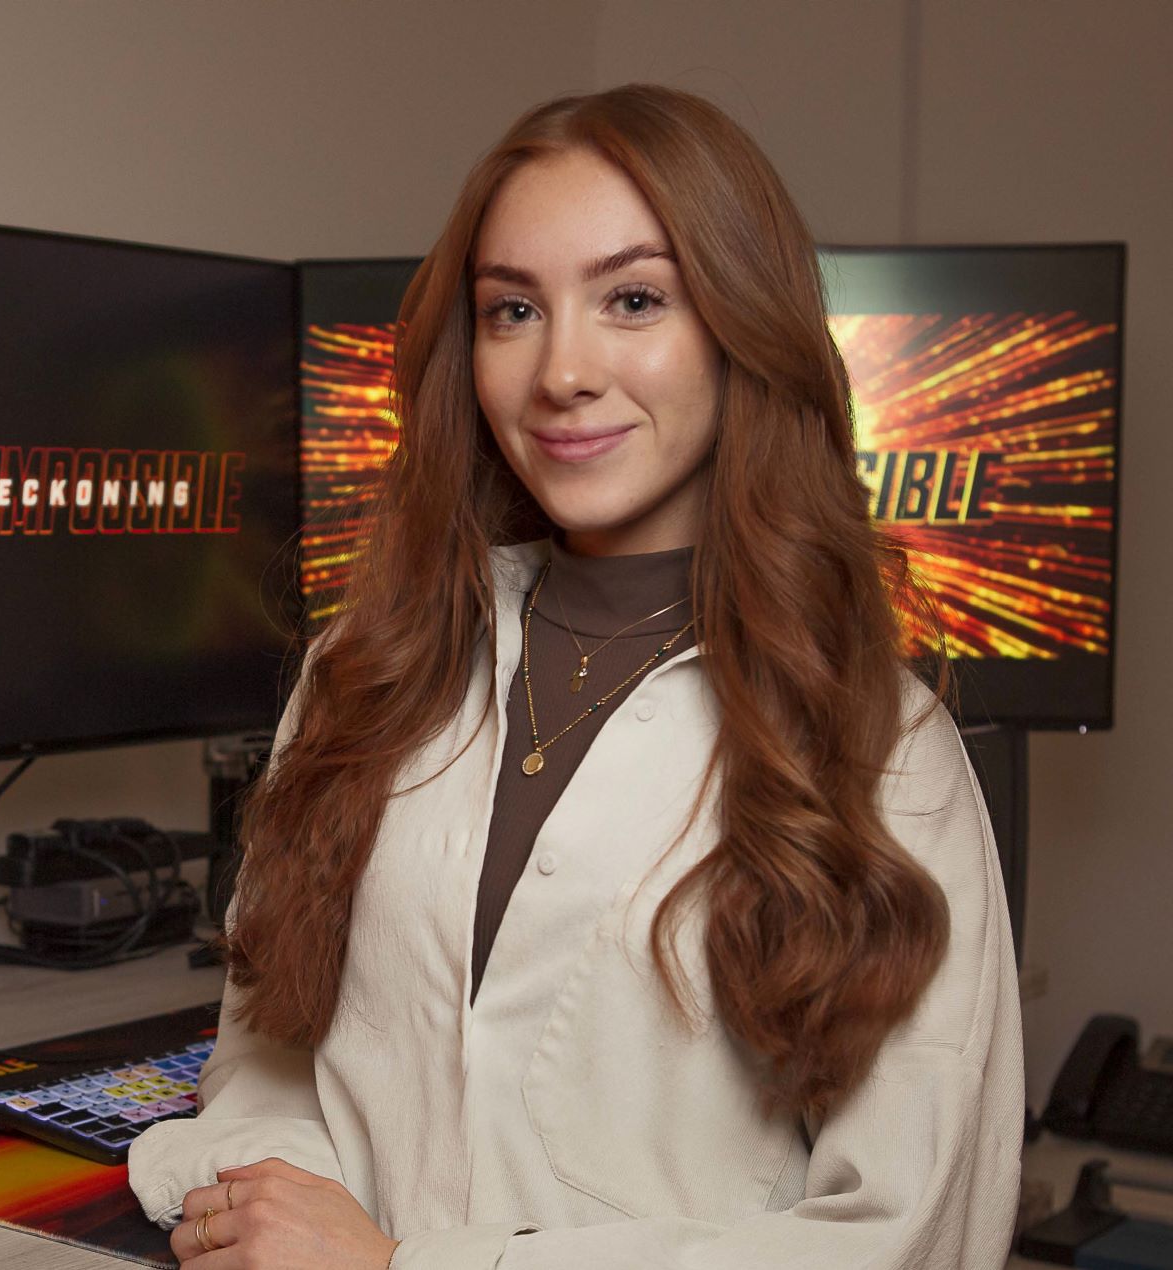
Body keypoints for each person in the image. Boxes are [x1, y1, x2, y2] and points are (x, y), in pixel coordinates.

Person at [126, 83, 1024, 1269]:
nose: (562, 371)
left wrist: (402, 1268)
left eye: (634, 299)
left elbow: (905, 1234)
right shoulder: (372, 668)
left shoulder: (882, 746)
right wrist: (275, 1206)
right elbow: (272, 1052)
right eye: (512, 310)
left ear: (741, 323)